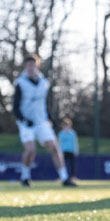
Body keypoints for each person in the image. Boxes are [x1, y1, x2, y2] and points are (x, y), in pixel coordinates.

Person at [13, 55, 75, 187]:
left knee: (54, 147)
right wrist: (24, 119)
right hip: (26, 123)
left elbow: (46, 104)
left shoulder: (44, 83)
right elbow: (15, 107)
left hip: (41, 122)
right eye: (28, 65)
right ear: (25, 67)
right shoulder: (20, 83)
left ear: (37, 66)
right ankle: (25, 177)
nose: (31, 67)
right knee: (30, 150)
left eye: (33, 65)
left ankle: (64, 178)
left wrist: (51, 119)